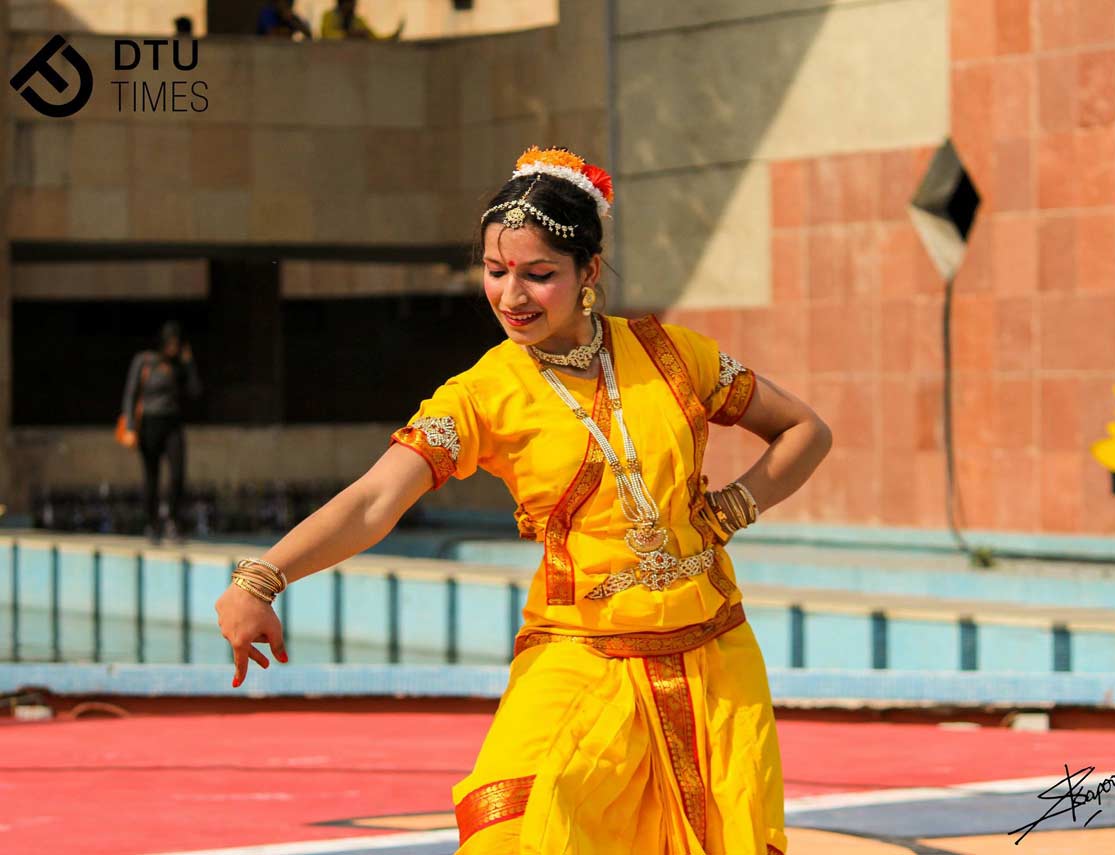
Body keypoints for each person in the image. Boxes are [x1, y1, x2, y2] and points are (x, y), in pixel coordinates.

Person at [215, 146, 833, 854]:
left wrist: (731, 508)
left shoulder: (672, 355)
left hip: (712, 654)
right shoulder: (483, 394)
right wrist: (263, 575)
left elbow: (805, 431)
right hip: (578, 654)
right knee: (520, 826)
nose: (511, 296)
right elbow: (374, 500)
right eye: (495, 271)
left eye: (539, 275)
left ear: (589, 272)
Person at [120, 321, 202, 544]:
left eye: (177, 343)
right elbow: (131, 393)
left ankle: (173, 521)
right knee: (151, 476)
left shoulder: (178, 365)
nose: (173, 347)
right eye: (170, 343)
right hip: (149, 423)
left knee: (177, 474)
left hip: (172, 422)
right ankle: (152, 524)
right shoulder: (144, 360)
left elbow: (195, 391)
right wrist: (130, 427)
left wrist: (189, 363)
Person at [320, 0, 400, 39]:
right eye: (350, 3)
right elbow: (327, 34)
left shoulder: (357, 21)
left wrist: (393, 37)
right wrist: (348, 35)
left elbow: (373, 38)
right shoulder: (329, 16)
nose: (354, 6)